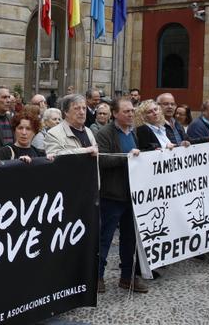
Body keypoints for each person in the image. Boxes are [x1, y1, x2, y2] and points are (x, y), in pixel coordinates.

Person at [93, 98, 147, 293]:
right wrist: (126, 158)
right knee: (105, 237)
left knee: (130, 239)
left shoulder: (134, 133)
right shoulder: (105, 133)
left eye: (132, 111)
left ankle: (127, 276)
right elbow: (101, 160)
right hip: (112, 195)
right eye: (126, 112)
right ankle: (97, 276)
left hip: (131, 195)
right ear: (115, 114)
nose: (131, 114)